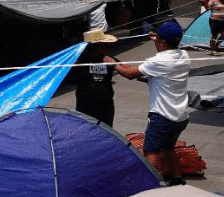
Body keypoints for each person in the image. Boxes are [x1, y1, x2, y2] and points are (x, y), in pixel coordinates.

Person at [113, 21, 191, 185]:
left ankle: (148, 184)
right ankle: (177, 179)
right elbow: (149, 73)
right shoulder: (184, 56)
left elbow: (129, 74)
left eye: (157, 39)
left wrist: (112, 63)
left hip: (163, 116)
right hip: (180, 116)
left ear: (162, 42)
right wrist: (155, 37)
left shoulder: (160, 61)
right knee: (168, 147)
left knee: (151, 150)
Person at [74, 28, 119, 127]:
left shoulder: (108, 59)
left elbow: (122, 67)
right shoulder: (80, 60)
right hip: (85, 103)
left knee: (106, 129)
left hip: (105, 102)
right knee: (86, 128)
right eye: (104, 44)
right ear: (96, 46)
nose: (107, 46)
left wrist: (114, 64)